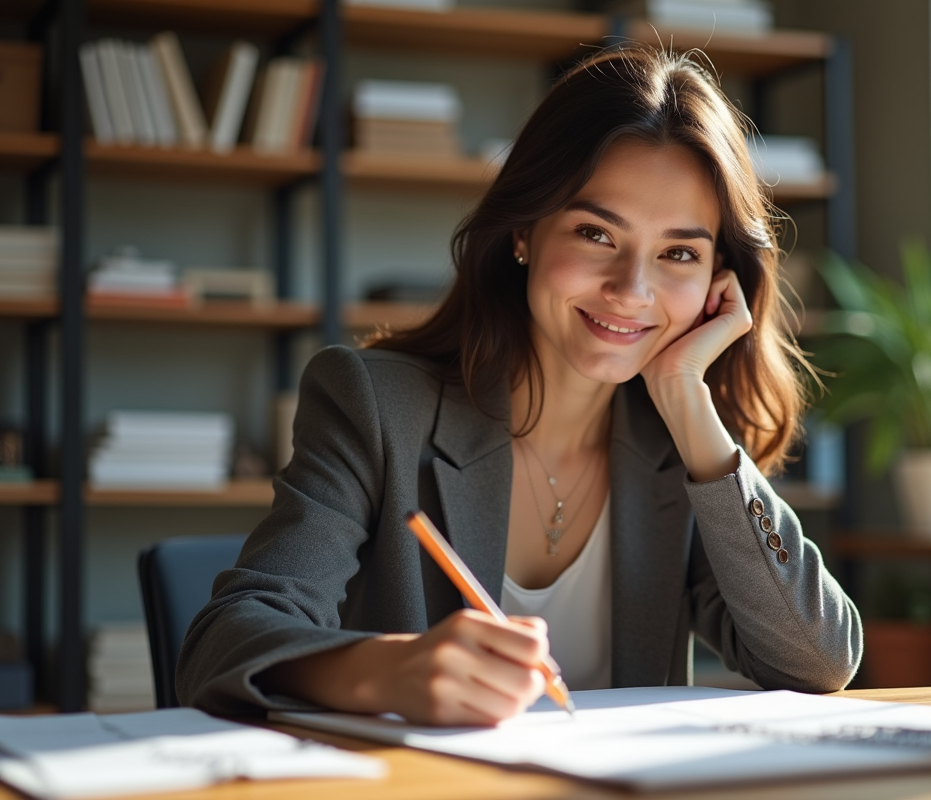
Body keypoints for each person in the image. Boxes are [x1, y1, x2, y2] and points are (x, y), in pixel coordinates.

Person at [177, 45, 862, 724]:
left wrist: (687, 397)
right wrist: (386, 671)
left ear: (721, 282)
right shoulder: (376, 405)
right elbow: (222, 642)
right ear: (524, 233)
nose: (633, 289)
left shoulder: (687, 448)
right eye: (596, 233)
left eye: (679, 252)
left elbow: (818, 659)